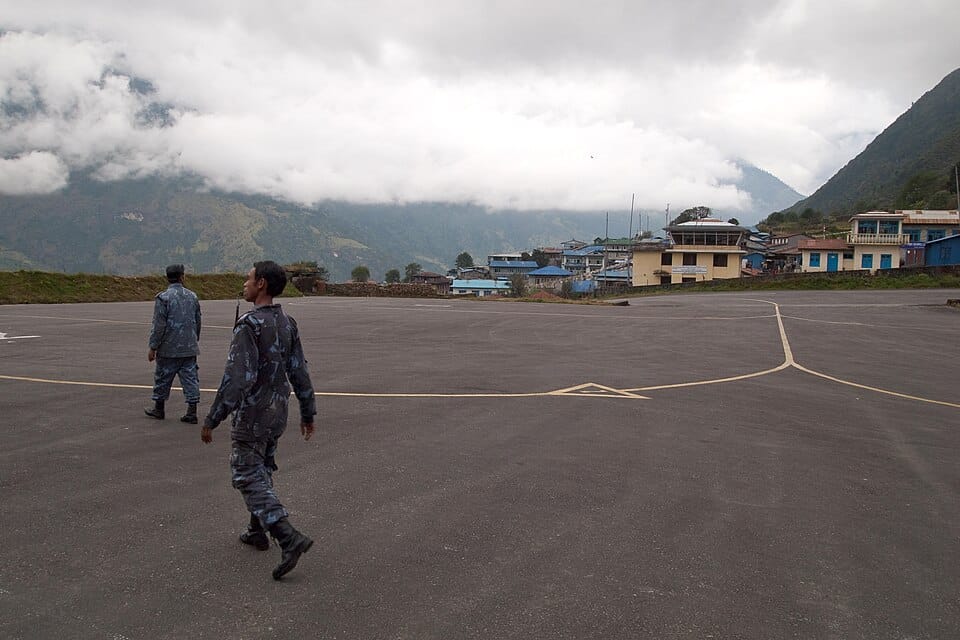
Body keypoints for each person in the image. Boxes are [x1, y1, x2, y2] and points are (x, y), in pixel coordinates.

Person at [201, 260, 317, 580]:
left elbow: (238, 378)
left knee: (245, 473)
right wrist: (308, 411)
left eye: (249, 278)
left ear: (262, 284)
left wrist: (213, 417)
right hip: (278, 411)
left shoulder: (249, 325)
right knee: (262, 467)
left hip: (252, 413)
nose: (245, 283)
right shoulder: (287, 322)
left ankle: (287, 536)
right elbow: (299, 371)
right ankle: (256, 530)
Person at [145, 264, 202, 423]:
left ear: (167, 277)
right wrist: (194, 339)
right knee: (191, 378)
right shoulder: (192, 296)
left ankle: (159, 408)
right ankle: (192, 411)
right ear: (182, 277)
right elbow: (197, 321)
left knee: (163, 377)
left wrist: (153, 346)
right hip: (189, 347)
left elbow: (158, 325)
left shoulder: (163, 298)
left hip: (168, 348)